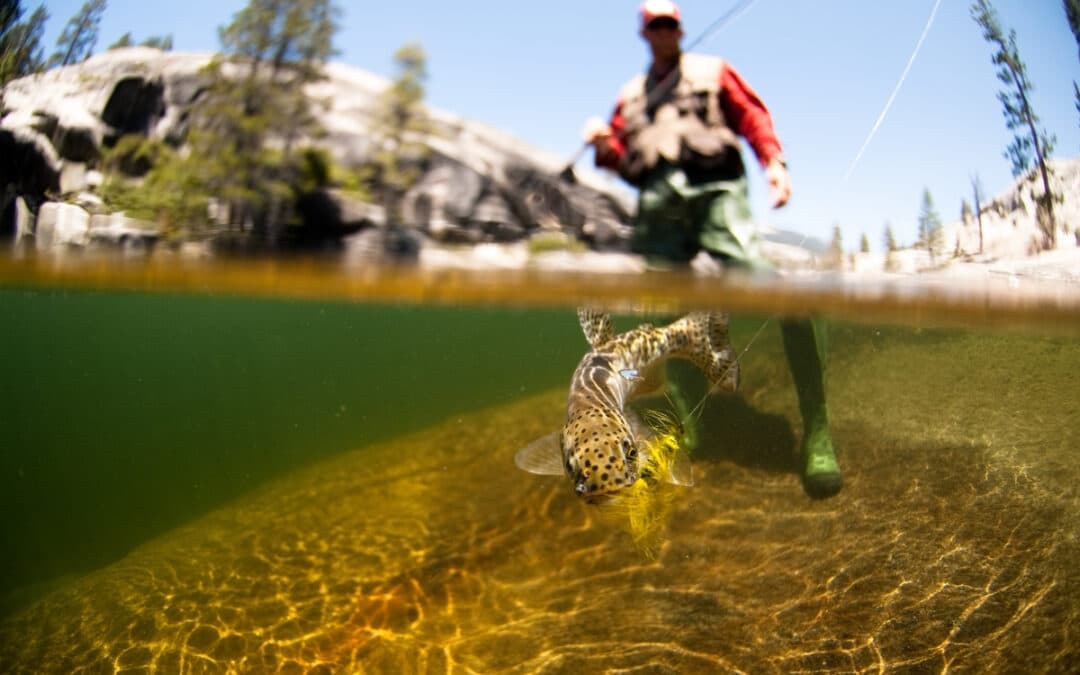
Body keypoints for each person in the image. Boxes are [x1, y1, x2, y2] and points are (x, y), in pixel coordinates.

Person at [583, 0, 842, 498]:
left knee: (785, 297)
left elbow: (751, 115)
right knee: (668, 309)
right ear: (645, 33)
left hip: (717, 198)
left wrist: (774, 163)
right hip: (659, 212)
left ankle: (818, 430)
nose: (663, 32)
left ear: (679, 29)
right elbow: (621, 159)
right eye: (654, 26)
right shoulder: (631, 95)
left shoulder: (713, 71)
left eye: (670, 24)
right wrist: (601, 145)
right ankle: (691, 424)